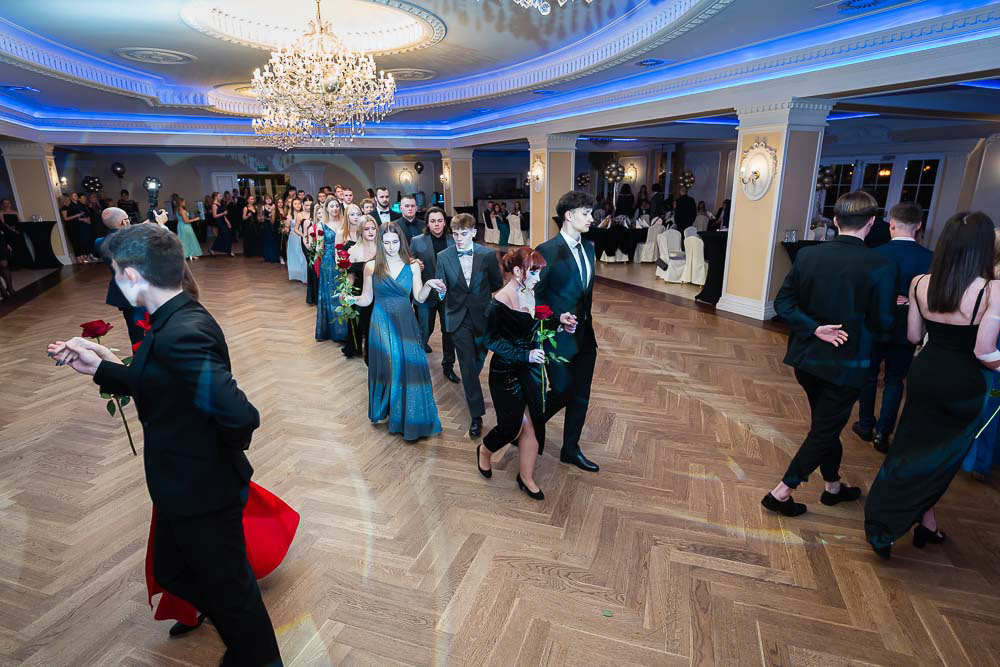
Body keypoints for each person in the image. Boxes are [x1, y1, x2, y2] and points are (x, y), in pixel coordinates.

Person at [47, 223, 282, 664]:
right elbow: (166, 383)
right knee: (175, 573)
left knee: (233, 595)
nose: (114, 281)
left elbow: (239, 416)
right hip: (182, 487)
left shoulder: (182, 332)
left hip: (202, 491)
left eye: (115, 272)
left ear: (133, 275)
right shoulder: (171, 318)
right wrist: (101, 367)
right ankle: (243, 644)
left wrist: (210, 458)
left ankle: (255, 656)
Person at [864, 212, 999, 559]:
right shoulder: (992, 289)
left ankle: (917, 523)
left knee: (910, 448)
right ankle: (893, 523)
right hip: (965, 382)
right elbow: (985, 352)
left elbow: (913, 335)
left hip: (924, 372)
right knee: (942, 459)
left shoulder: (921, 282)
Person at [763, 191, 895, 517]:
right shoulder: (882, 264)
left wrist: (815, 328)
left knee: (826, 425)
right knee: (824, 430)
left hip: (807, 361)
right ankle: (780, 493)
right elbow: (883, 324)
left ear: (835, 221)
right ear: (872, 222)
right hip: (847, 365)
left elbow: (783, 303)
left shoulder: (808, 255)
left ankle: (833, 487)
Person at [477, 247, 578, 500]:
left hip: (531, 370)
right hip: (506, 371)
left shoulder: (529, 291)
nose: (538, 278)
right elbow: (489, 340)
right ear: (517, 271)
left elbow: (535, 326)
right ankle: (485, 451)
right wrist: (525, 355)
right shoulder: (499, 301)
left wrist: (560, 322)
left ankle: (526, 477)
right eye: (534, 272)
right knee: (512, 427)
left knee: (533, 424)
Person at [353, 221, 447, 441]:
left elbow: (419, 298)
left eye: (395, 242)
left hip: (406, 321)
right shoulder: (371, 266)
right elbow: (366, 299)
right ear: (380, 243)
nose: (391, 247)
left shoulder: (412, 266)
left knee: (407, 367)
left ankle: (408, 416)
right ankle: (392, 413)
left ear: (401, 242)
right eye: (386, 243)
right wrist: (350, 298)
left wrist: (428, 284)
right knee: (390, 365)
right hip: (381, 322)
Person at [853, 202, 934, 452]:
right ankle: (883, 433)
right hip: (908, 325)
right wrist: (910, 299)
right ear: (918, 225)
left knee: (868, 376)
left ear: (892, 224)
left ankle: (865, 424)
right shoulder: (930, 258)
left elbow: (863, 292)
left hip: (875, 323)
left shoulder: (875, 253)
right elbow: (933, 296)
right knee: (895, 380)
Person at [534, 191, 601, 473]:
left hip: (585, 335)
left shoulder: (589, 249)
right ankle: (528, 423)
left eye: (591, 213)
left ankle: (570, 449)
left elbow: (585, 295)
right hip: (556, 336)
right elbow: (533, 297)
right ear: (569, 216)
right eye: (586, 213)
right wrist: (556, 318)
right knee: (562, 390)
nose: (591, 218)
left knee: (581, 394)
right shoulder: (546, 251)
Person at [435, 213, 504, 437]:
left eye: (463, 234)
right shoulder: (443, 256)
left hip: (483, 316)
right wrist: (440, 292)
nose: (459, 238)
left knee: (477, 361)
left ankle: (471, 380)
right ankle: (476, 415)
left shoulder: (487, 255)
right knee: (466, 364)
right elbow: (440, 289)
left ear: (474, 232)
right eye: (455, 234)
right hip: (457, 317)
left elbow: (496, 283)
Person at [409, 207, 456, 365]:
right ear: (427, 223)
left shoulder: (453, 240)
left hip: (448, 294)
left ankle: (448, 365)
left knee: (448, 331)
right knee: (424, 329)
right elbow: (409, 261)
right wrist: (414, 263)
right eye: (433, 221)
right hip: (426, 293)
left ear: (445, 222)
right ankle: (417, 363)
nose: (436, 224)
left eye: (440, 220)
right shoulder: (417, 241)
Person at [96, 207, 147, 345]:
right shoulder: (132, 241)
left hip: (123, 293)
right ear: (123, 222)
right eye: (127, 219)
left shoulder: (99, 242)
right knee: (149, 328)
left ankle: (138, 356)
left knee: (135, 333)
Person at [315, 198, 350, 343]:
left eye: (336, 206)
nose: (335, 208)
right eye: (331, 206)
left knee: (344, 292)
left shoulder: (345, 222)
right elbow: (319, 247)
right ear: (327, 209)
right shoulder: (321, 225)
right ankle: (335, 331)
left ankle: (347, 329)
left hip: (345, 258)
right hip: (329, 263)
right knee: (332, 294)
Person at [347, 216, 378, 363]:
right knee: (363, 325)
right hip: (359, 292)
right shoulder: (353, 250)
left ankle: (374, 355)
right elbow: (350, 277)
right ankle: (363, 352)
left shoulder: (383, 248)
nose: (371, 232)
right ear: (361, 231)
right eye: (366, 229)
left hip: (379, 292)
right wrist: (346, 293)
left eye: (373, 228)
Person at [286, 198, 308, 283]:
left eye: (299, 203)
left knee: (303, 255)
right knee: (296, 255)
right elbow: (287, 227)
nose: (297, 205)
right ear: (292, 205)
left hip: (303, 235)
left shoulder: (303, 214)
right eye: (295, 204)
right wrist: (285, 227)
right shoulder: (290, 216)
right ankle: (297, 274)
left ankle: (304, 275)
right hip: (294, 237)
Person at [209, 192, 233, 257]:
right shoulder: (214, 205)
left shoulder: (219, 204)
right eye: (219, 196)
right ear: (216, 197)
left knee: (222, 236)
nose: (221, 197)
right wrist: (223, 213)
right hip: (219, 222)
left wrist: (228, 222)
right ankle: (229, 251)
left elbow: (224, 215)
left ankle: (213, 249)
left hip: (223, 221)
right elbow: (214, 216)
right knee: (225, 236)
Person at [260, 195, 280, 264]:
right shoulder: (263, 207)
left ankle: (273, 257)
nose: (268, 200)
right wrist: (263, 218)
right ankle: (267, 257)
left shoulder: (273, 206)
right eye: (266, 199)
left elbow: (273, 221)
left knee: (273, 241)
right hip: (265, 226)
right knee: (267, 241)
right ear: (265, 200)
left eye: (269, 199)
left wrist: (271, 214)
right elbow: (260, 218)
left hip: (272, 226)